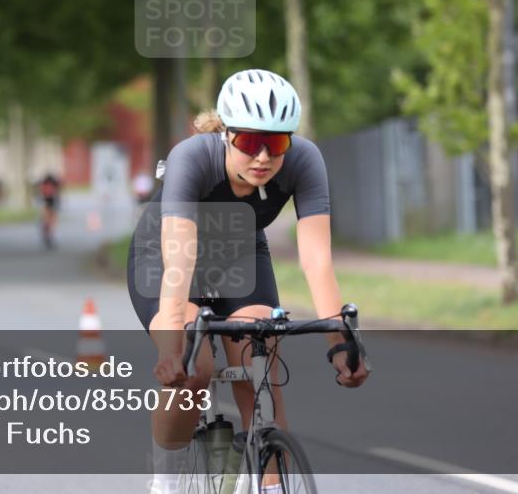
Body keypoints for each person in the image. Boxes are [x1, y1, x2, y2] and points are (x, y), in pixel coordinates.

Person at [127, 69, 370, 493]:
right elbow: (180, 257)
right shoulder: (193, 158)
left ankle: (269, 485)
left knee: (261, 352)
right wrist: (172, 348)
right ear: (226, 134)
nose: (263, 158)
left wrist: (340, 344)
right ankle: (164, 481)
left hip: (241, 254)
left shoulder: (306, 160)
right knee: (195, 369)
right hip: (165, 258)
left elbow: (316, 259)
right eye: (249, 142)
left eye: (275, 144)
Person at [37, 172, 61, 248]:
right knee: (51, 221)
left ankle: (46, 229)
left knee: (46, 220)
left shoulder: (44, 184)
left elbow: (40, 194)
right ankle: (48, 231)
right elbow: (57, 194)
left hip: (47, 204)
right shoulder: (54, 184)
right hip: (51, 204)